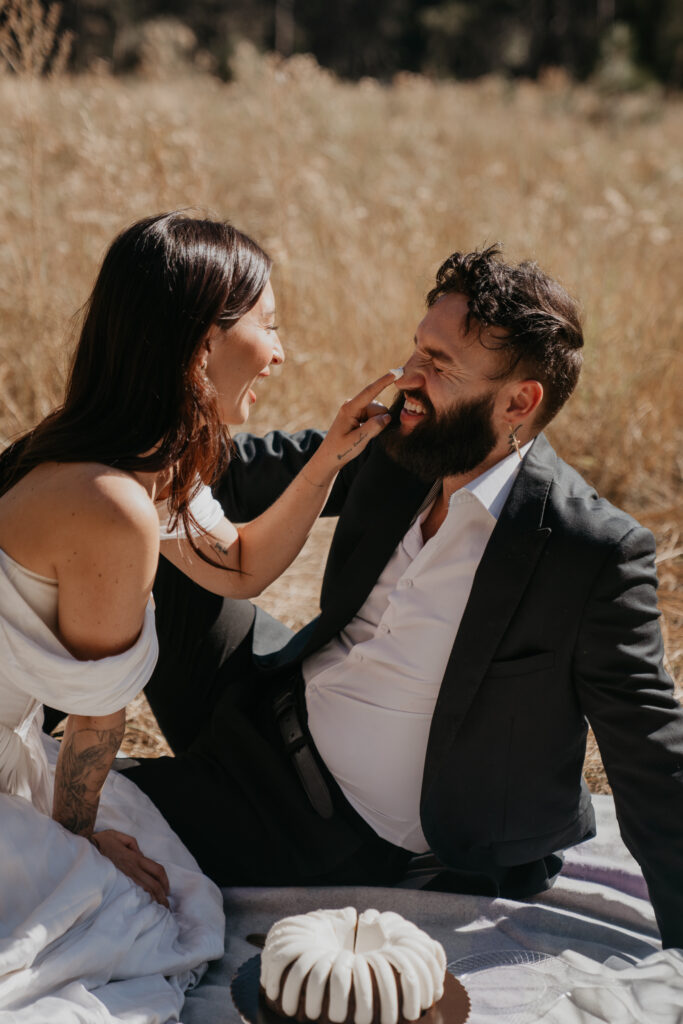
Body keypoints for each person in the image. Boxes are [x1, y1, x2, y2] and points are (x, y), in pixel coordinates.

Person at [127, 243, 683, 951]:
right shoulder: (402, 442)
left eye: (441, 364)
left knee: (82, 826)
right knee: (131, 524)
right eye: (417, 349)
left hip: (317, 827)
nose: (408, 378)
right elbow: (224, 476)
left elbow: (652, 758)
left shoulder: (588, 551)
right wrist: (88, 455)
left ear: (518, 401)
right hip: (261, 706)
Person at [0, 210, 394, 1020]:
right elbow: (95, 723)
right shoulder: (111, 505)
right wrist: (78, 846)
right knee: (135, 918)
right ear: (201, 345)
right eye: (268, 325)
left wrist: (331, 458)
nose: (280, 353)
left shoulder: (133, 458)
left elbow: (240, 567)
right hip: (29, 763)